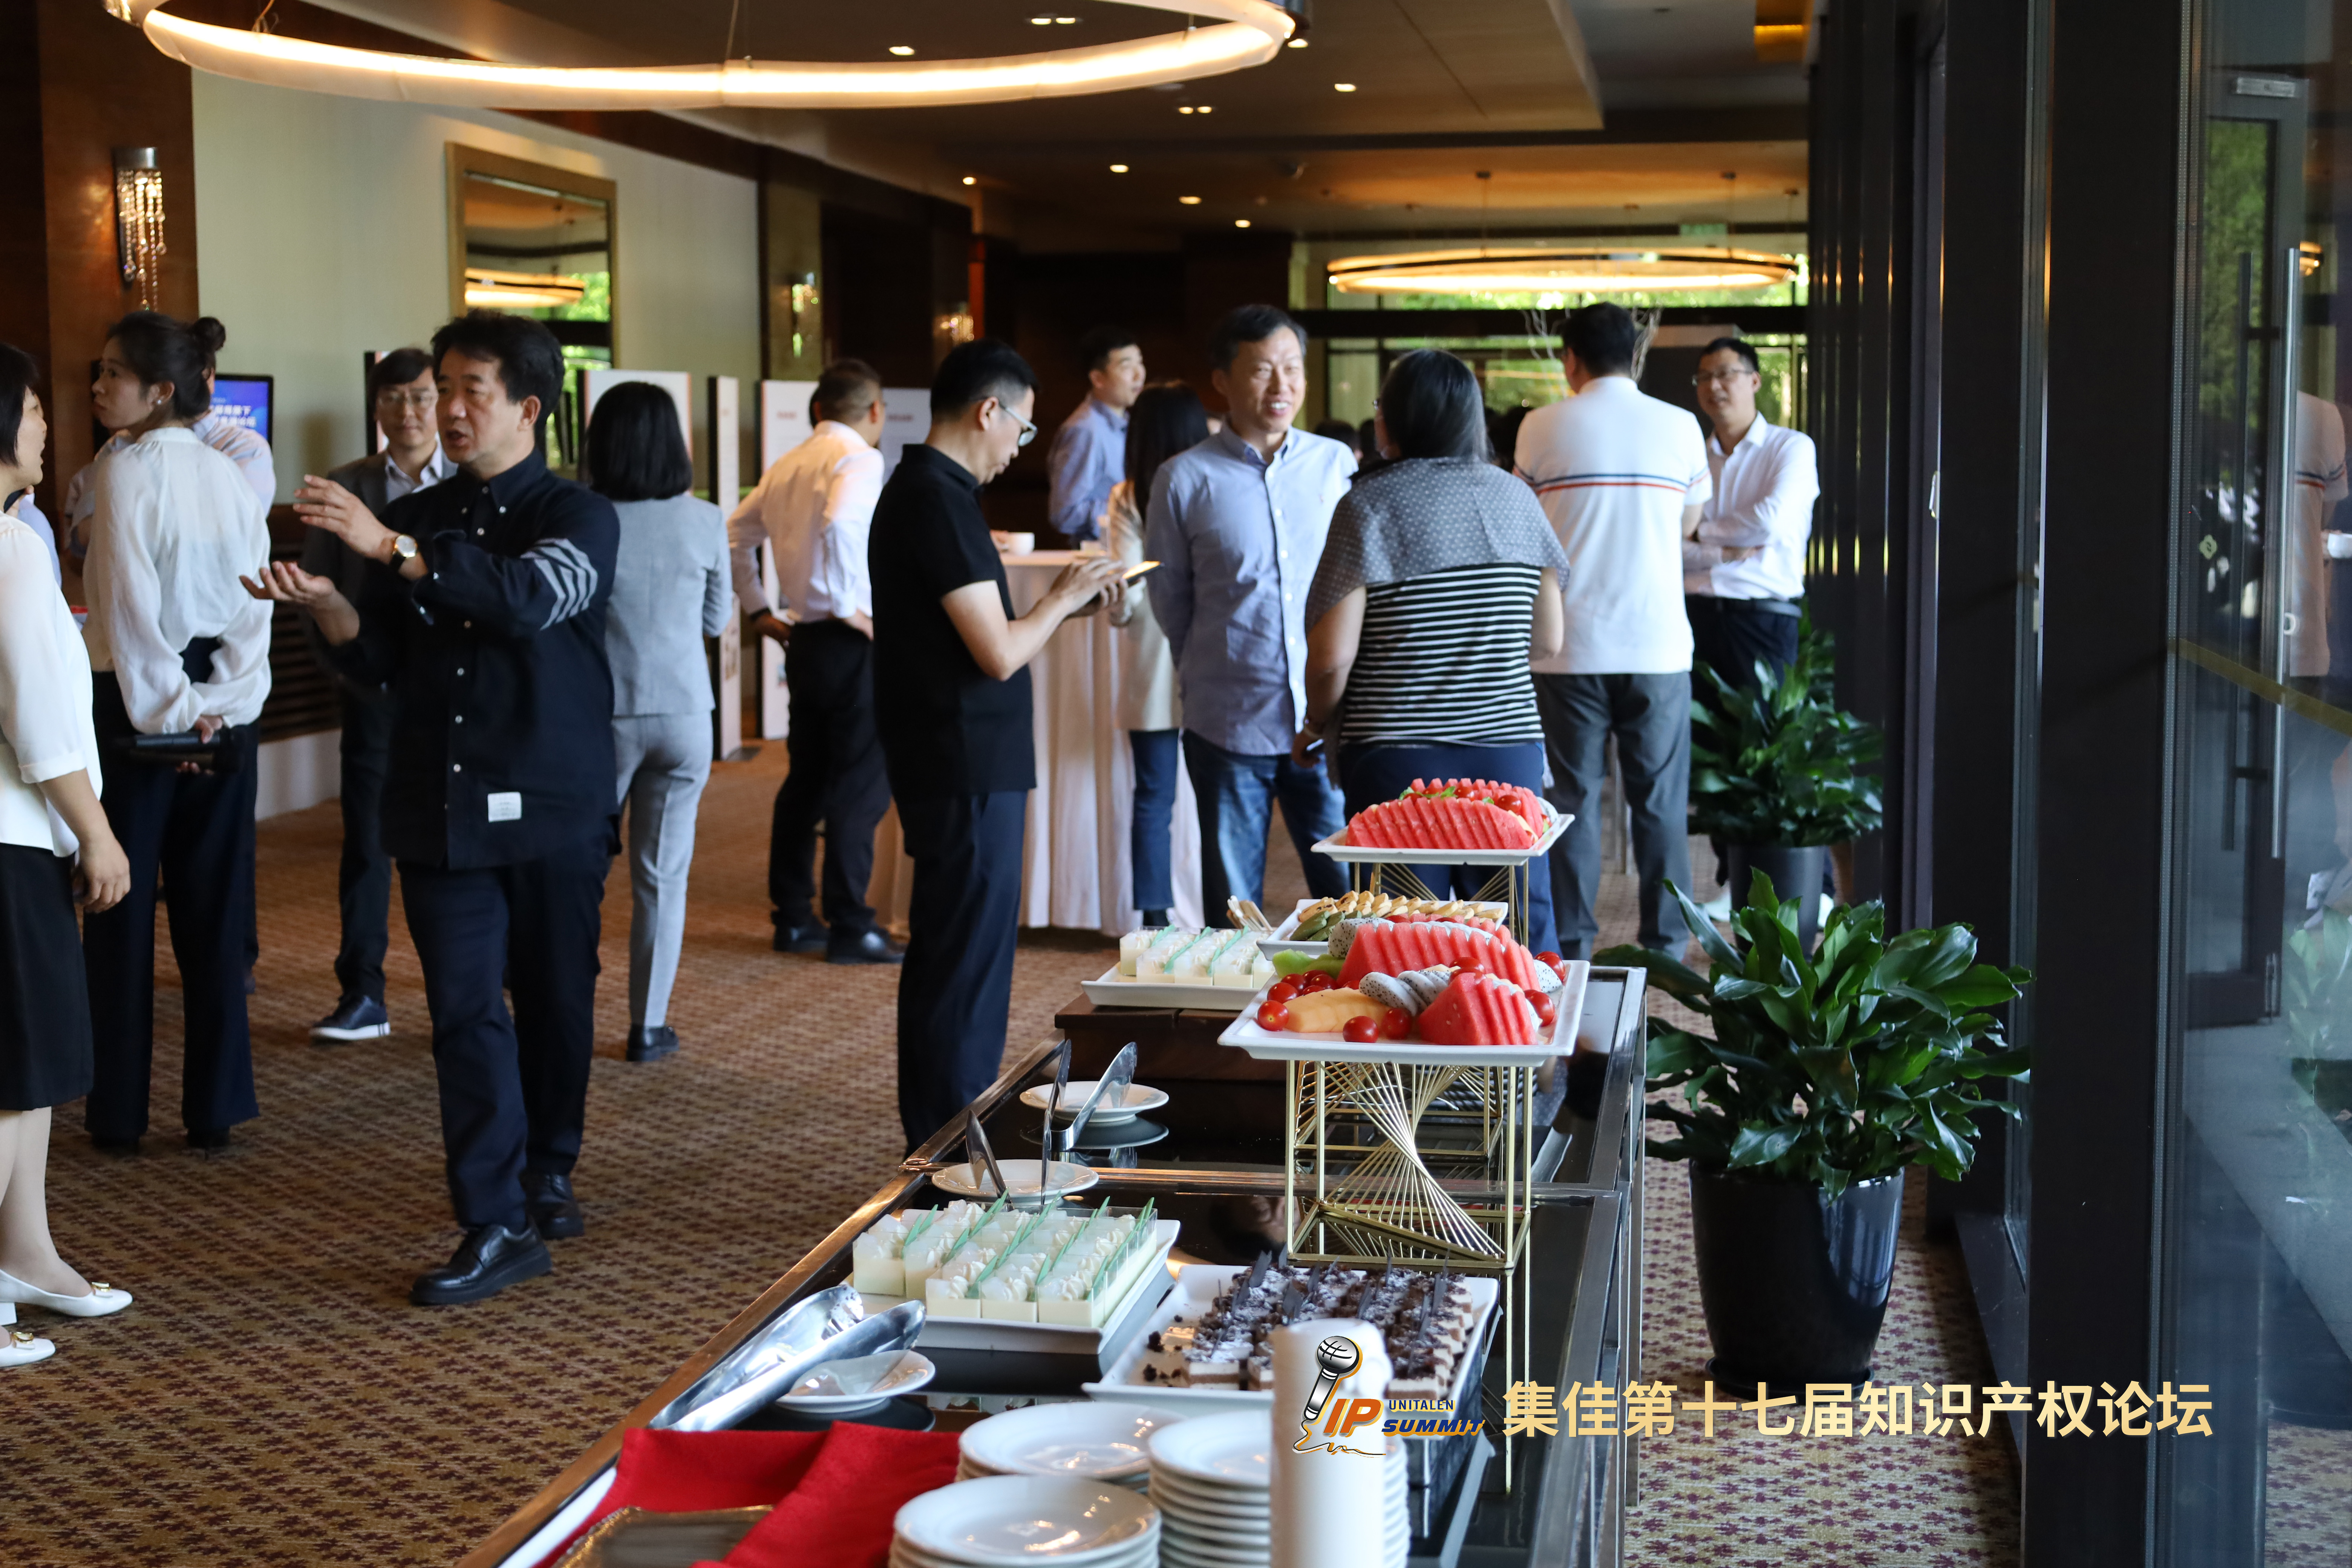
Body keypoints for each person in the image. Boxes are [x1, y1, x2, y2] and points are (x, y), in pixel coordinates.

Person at [245, 310, 619, 1306]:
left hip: (553, 803)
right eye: (439, 388)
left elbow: (528, 600)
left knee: (555, 999)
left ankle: (548, 1168)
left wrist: (395, 547)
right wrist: (330, 605)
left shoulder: (579, 516)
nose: (447, 408)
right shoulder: (422, 517)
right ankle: (494, 1219)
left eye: (468, 391)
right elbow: (382, 666)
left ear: (527, 409)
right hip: (441, 807)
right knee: (463, 1013)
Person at [871, 340, 1125, 1152]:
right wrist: (1062, 594)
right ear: (990, 411)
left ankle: (947, 1134)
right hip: (962, 758)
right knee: (963, 962)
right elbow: (999, 652)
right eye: (1023, 426)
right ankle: (950, 1141)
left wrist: (1067, 607)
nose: (1021, 445)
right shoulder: (935, 499)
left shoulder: (928, 491)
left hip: (959, 754)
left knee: (960, 954)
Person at [1297, 350, 1570, 956]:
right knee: (1516, 940)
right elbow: (1548, 640)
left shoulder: (1367, 505)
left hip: (1395, 761)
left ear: (1390, 420)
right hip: (1507, 754)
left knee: (1403, 941)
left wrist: (1315, 724)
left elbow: (1332, 657)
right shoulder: (1518, 499)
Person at [77, 313, 272, 1154]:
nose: (97, 387)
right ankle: (215, 1109)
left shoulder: (122, 466)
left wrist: (170, 715)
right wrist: (217, 706)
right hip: (224, 708)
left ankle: (119, 1113)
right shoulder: (231, 472)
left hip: (137, 704)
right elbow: (256, 605)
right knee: (216, 909)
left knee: (119, 913)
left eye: (113, 374)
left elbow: (127, 611)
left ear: (160, 391)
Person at [0, 343, 136, 1366]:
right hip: (11, 839)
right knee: (14, 1067)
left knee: (31, 1060)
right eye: (36, 408)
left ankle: (28, 1253)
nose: (48, 425)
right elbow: (39, 717)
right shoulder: (9, 546)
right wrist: (97, 832)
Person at [1513, 302, 1710, 960]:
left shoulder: (1540, 426)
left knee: (1570, 803)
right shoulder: (1680, 426)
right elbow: (1688, 526)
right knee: (1660, 806)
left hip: (1567, 649)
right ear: (1636, 354)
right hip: (1658, 646)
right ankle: (1665, 949)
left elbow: (1526, 527)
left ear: (1570, 359)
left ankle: (1570, 948)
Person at [1146, 304, 1356, 919]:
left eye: (1293, 368)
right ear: (1222, 380)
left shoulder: (1336, 465)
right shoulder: (1183, 479)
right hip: (1229, 718)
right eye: (1263, 370)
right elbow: (1171, 599)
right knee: (1234, 908)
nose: (1281, 385)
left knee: (1349, 896)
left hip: (1325, 717)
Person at [299, 348, 457, 1044]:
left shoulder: (471, 481)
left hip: (455, 693)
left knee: (459, 839)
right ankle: (362, 991)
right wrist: (349, 675)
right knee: (366, 844)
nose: (409, 411)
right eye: (393, 398)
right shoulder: (346, 486)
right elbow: (316, 594)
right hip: (374, 693)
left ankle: (477, 980)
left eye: (421, 396)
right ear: (377, 407)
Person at [728, 360, 900, 964]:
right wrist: (853, 608)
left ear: (818, 409)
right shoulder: (860, 459)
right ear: (875, 410)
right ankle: (852, 925)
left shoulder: (788, 463)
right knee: (858, 785)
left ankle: (795, 918)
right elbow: (843, 522)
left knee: (806, 782)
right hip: (850, 643)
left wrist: (758, 610)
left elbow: (736, 534)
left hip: (804, 641)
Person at [590, 383, 730, 1062]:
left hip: (602, 716)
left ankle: (554, 996)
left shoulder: (585, 517)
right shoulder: (705, 520)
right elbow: (716, 621)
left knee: (579, 870)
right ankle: (648, 1026)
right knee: (661, 876)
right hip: (684, 714)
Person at [1105, 384, 1209, 928]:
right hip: (1214, 656)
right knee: (1225, 797)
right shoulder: (1211, 482)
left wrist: (1123, 605)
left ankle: (1154, 916)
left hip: (1152, 660)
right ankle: (1230, 907)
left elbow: (1126, 588)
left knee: (1153, 796)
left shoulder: (1128, 496)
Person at [1684, 337, 1819, 694]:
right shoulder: (1692, 458)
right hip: (1691, 617)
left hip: (1762, 620)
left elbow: (1769, 522)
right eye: (1704, 377)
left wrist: (1700, 534)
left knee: (1757, 729)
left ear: (1755, 381)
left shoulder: (1790, 447)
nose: (1713, 386)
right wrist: (1728, 551)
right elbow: (1668, 542)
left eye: (1725, 374)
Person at [1045, 326, 1145, 544]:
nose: (1139, 375)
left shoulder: (1126, 423)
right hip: (1098, 555)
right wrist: (1127, 509)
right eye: (1127, 366)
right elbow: (1065, 513)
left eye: (1140, 363)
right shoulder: (1085, 430)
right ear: (1098, 379)